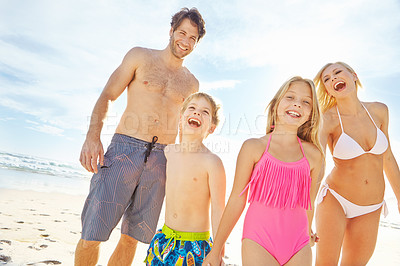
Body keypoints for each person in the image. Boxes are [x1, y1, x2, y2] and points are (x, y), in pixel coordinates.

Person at [74, 8, 206, 266]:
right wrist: (93, 136)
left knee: (131, 238)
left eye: (193, 38)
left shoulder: (192, 84)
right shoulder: (140, 57)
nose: (186, 41)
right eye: (182, 33)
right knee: (92, 234)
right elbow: (108, 95)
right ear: (171, 31)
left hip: (161, 161)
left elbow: (185, 133)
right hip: (124, 150)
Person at [203, 76, 324, 266]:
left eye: (306, 102)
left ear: (311, 113)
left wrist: (309, 231)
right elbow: (236, 199)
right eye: (290, 97)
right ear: (276, 104)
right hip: (258, 240)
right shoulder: (254, 147)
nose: (297, 104)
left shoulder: (314, 155)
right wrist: (216, 249)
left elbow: (309, 202)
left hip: (299, 244)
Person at [313, 62, 400, 265]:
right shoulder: (328, 119)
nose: (333, 78)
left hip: (371, 206)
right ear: (327, 89)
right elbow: (318, 166)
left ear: (353, 75)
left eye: (337, 72)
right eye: (326, 79)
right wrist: (306, 211)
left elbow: (387, 157)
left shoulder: (379, 111)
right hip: (335, 198)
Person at [144, 92, 226, 265]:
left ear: (211, 127)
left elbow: (218, 211)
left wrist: (218, 252)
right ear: (181, 118)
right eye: (192, 108)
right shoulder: (168, 152)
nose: (197, 113)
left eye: (205, 112)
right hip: (164, 240)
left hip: (195, 246)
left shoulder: (212, 162)